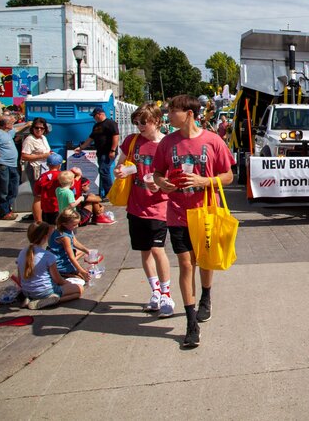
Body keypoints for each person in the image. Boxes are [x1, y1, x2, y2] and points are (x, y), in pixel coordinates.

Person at [152, 95, 235, 349]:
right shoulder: (167, 142)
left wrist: (204, 181)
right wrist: (161, 182)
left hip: (207, 211)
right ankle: (191, 324)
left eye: (173, 111)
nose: (168, 115)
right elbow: (157, 173)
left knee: (205, 260)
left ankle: (206, 297)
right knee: (186, 264)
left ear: (189, 114)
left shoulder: (212, 140)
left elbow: (229, 175)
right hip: (177, 212)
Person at [115, 103, 174, 318]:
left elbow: (175, 176)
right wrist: (121, 171)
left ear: (157, 121)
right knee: (145, 251)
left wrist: (160, 184)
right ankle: (155, 292)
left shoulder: (167, 144)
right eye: (137, 122)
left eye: (144, 122)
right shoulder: (131, 141)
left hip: (159, 205)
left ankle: (167, 294)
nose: (139, 126)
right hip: (136, 204)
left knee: (158, 250)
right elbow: (122, 165)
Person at [17, 222, 83, 310]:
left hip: (26, 291)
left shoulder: (22, 252)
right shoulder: (48, 256)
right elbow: (58, 280)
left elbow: (19, 277)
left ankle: (30, 299)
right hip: (44, 291)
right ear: (45, 237)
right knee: (79, 290)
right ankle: (52, 300)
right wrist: (69, 283)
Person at [75, 107, 119, 200]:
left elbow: (116, 136)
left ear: (100, 114)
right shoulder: (96, 126)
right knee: (103, 171)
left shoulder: (110, 123)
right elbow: (90, 139)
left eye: (94, 116)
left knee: (104, 170)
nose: (94, 118)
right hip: (100, 152)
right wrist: (81, 147)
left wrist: (113, 150)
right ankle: (108, 193)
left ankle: (110, 194)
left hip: (108, 152)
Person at [47, 208, 91, 281]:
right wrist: (82, 271)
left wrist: (87, 251)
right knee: (82, 279)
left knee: (82, 251)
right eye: (74, 224)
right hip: (59, 261)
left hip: (58, 255)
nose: (76, 226)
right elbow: (71, 257)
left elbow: (75, 242)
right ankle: (63, 273)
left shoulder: (65, 229)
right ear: (64, 224)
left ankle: (68, 271)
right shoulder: (65, 237)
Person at [20, 117, 51, 221]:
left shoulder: (43, 138)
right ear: (32, 128)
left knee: (44, 194)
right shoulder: (29, 139)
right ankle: (38, 221)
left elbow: (46, 153)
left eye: (41, 128)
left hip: (44, 168)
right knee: (38, 195)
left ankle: (43, 217)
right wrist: (42, 156)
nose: (39, 130)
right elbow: (24, 156)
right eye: (36, 128)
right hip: (34, 168)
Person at [34, 153, 64, 225]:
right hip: (58, 205)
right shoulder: (62, 175)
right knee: (59, 225)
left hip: (46, 206)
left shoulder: (43, 176)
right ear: (60, 165)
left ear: (47, 165)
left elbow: (37, 191)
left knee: (49, 225)